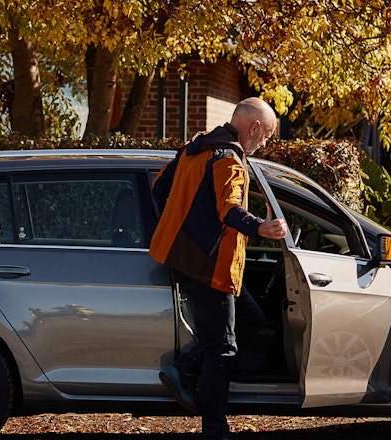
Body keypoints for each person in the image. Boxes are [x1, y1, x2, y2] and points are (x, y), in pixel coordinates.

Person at [149, 97, 288, 439]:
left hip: (183, 256)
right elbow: (228, 210)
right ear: (254, 127)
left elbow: (159, 188)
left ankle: (184, 369)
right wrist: (261, 228)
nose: (264, 143)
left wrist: (183, 225)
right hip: (208, 266)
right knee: (222, 349)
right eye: (266, 136)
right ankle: (215, 429)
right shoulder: (228, 159)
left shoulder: (195, 147)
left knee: (252, 318)